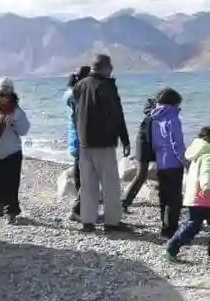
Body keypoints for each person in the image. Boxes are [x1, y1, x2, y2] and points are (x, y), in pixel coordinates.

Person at [71, 54, 131, 232]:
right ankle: (112, 222)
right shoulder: (107, 86)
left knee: (88, 184)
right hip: (104, 142)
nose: (112, 70)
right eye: (110, 67)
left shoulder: (79, 86)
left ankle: (87, 221)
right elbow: (117, 114)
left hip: (84, 142)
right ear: (105, 68)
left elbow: (76, 114)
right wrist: (125, 139)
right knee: (110, 184)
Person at [165, 126, 210, 264]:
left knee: (205, 224)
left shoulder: (198, 151)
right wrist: (206, 187)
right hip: (203, 198)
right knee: (199, 225)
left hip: (195, 196)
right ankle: (172, 248)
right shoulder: (209, 154)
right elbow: (206, 172)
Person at [0, 77, 30, 224]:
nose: (5, 98)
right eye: (2, 95)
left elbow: (24, 129)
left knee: (11, 185)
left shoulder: (17, 111)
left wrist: (14, 124)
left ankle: (11, 212)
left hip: (12, 152)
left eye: (7, 95)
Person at [150, 88, 186, 238]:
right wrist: (186, 162)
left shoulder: (154, 118)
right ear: (174, 103)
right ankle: (171, 230)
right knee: (174, 198)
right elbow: (176, 144)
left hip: (160, 162)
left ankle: (164, 227)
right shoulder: (173, 119)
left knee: (164, 196)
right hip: (173, 163)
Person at [63, 66, 91, 221]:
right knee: (86, 175)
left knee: (80, 173)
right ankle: (79, 210)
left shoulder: (69, 94)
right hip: (82, 139)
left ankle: (83, 209)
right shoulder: (79, 96)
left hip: (75, 139)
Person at [121, 96, 157, 213]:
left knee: (143, 176)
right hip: (145, 148)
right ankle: (123, 203)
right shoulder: (152, 118)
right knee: (141, 176)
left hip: (146, 147)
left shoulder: (153, 117)